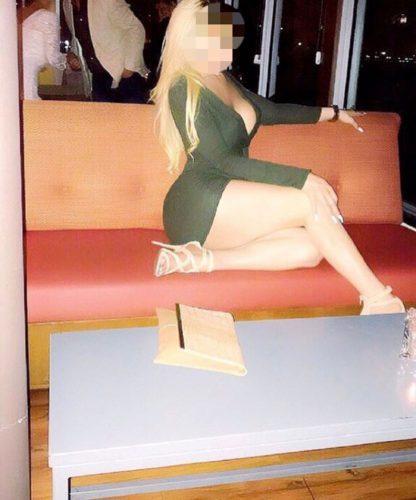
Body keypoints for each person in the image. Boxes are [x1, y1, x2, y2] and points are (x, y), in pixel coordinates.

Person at [150, 0, 405, 315]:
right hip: (199, 201)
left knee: (309, 248)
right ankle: (380, 299)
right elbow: (224, 162)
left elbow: (271, 111)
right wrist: (303, 180)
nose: (228, 46)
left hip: (230, 199)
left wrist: (335, 113)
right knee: (309, 201)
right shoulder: (183, 87)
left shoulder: (223, 79)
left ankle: (200, 260)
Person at [61, 0, 150, 103]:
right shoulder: (67, 4)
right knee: (101, 114)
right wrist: (73, 55)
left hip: (123, 75)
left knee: (133, 113)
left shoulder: (104, 1)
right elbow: (79, 37)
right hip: (98, 77)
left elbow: (136, 29)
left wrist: (130, 67)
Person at [18, 0, 66, 100]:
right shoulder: (47, 16)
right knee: (29, 97)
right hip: (29, 67)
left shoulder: (17, 14)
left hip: (14, 65)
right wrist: (65, 61)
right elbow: (52, 53)